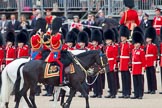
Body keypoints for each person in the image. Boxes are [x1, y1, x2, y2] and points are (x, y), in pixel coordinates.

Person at [118, 25, 132, 98]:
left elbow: (130, 55)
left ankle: (128, 92)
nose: (122, 38)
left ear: (126, 37)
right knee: (123, 78)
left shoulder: (129, 45)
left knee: (127, 78)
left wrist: (130, 64)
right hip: (122, 63)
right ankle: (124, 92)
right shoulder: (120, 45)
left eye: (123, 37)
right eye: (121, 37)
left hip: (126, 63)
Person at [89, 29, 103, 98]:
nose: (94, 43)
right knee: (93, 79)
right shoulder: (91, 48)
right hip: (93, 65)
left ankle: (99, 93)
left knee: (98, 80)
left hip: (98, 65)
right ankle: (95, 92)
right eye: (93, 41)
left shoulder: (99, 49)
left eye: (95, 41)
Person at [131, 31, 145, 99]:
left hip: (139, 68)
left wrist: (142, 70)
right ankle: (136, 94)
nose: (136, 44)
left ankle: (140, 94)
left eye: (137, 43)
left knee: (140, 82)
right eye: (135, 43)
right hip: (134, 68)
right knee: (135, 82)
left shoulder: (141, 51)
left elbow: (143, 61)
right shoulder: (133, 50)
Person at [104, 29, 117, 98]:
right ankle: (110, 92)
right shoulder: (106, 47)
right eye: (106, 40)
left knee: (112, 79)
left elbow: (115, 57)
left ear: (111, 40)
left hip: (112, 64)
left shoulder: (114, 47)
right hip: (107, 64)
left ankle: (114, 92)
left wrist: (115, 66)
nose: (107, 41)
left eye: (108, 40)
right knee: (109, 79)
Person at [145, 27, 158, 94]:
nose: (147, 39)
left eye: (148, 38)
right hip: (147, 62)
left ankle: (153, 89)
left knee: (152, 76)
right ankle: (149, 88)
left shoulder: (154, 46)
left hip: (151, 62)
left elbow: (155, 55)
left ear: (151, 39)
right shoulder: (146, 46)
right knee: (148, 76)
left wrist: (154, 63)